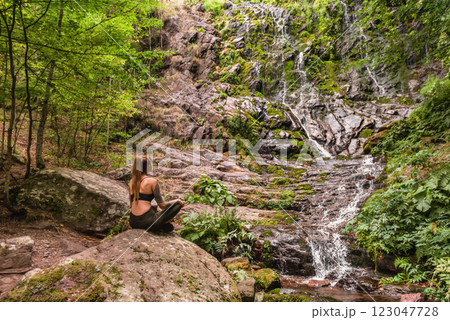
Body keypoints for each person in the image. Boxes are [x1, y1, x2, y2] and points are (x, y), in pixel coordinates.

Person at [128, 154, 184, 232]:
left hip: (133, 222)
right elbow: (162, 206)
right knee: (178, 205)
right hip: (147, 222)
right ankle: (158, 226)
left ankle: (160, 226)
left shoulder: (131, 182)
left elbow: (131, 204)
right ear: (148, 167)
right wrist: (176, 201)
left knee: (153, 208)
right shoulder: (152, 181)